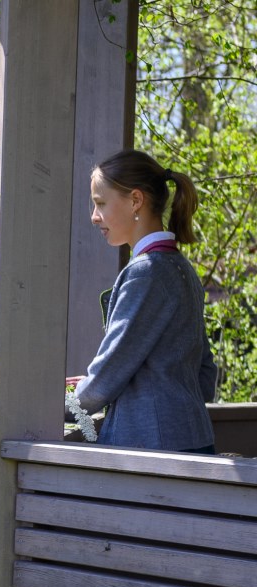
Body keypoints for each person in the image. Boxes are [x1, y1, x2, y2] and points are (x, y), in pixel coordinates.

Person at [71, 150, 218, 454]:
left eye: (100, 203)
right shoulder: (182, 270)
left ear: (135, 200)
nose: (94, 216)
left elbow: (108, 374)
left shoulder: (145, 273)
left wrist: (59, 405)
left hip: (150, 453)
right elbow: (205, 373)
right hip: (193, 442)